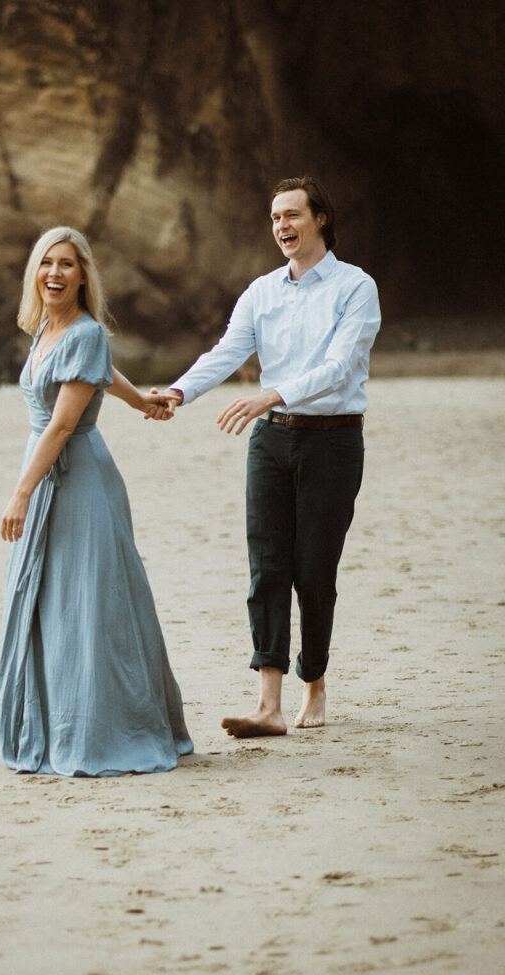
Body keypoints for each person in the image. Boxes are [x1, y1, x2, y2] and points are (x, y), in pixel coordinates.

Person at [149, 176, 381, 738]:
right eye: (275, 217)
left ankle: (315, 684)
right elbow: (226, 351)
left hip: (333, 440)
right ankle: (269, 703)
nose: (282, 226)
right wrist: (178, 392)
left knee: (314, 570)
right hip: (271, 440)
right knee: (267, 567)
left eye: (292, 215)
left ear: (320, 218)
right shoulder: (261, 291)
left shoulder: (356, 287)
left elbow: (341, 367)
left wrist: (271, 393)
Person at [0, 226, 193, 775]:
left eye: (66, 264)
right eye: (45, 264)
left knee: (91, 603)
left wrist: (19, 494)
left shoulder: (84, 332)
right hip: (45, 471)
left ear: (84, 275)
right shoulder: (47, 331)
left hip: (77, 479)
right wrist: (138, 401)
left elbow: (61, 425)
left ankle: (104, 730)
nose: (54, 273)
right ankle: (54, 722)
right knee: (51, 603)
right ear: (35, 273)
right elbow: (98, 374)